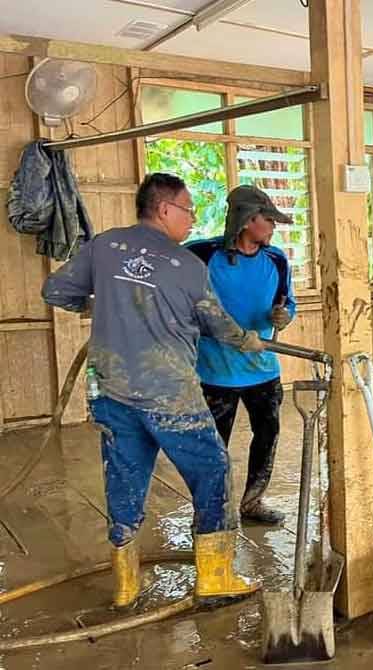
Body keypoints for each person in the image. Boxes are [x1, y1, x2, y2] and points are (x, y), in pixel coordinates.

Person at [42, 173, 264, 608]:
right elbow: (215, 323)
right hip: (170, 395)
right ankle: (216, 579)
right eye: (188, 210)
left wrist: (99, 301)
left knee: (124, 477)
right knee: (212, 470)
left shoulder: (105, 246)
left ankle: (126, 586)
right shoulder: (186, 266)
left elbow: (54, 291)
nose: (192, 219)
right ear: (165, 209)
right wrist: (247, 340)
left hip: (112, 393)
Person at [186, 185, 296, 526]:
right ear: (247, 221)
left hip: (263, 369)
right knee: (212, 447)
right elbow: (180, 304)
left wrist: (285, 316)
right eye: (268, 219)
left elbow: (287, 302)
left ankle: (253, 501)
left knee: (267, 435)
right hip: (214, 373)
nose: (273, 227)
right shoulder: (200, 255)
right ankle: (211, 510)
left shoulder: (276, 259)